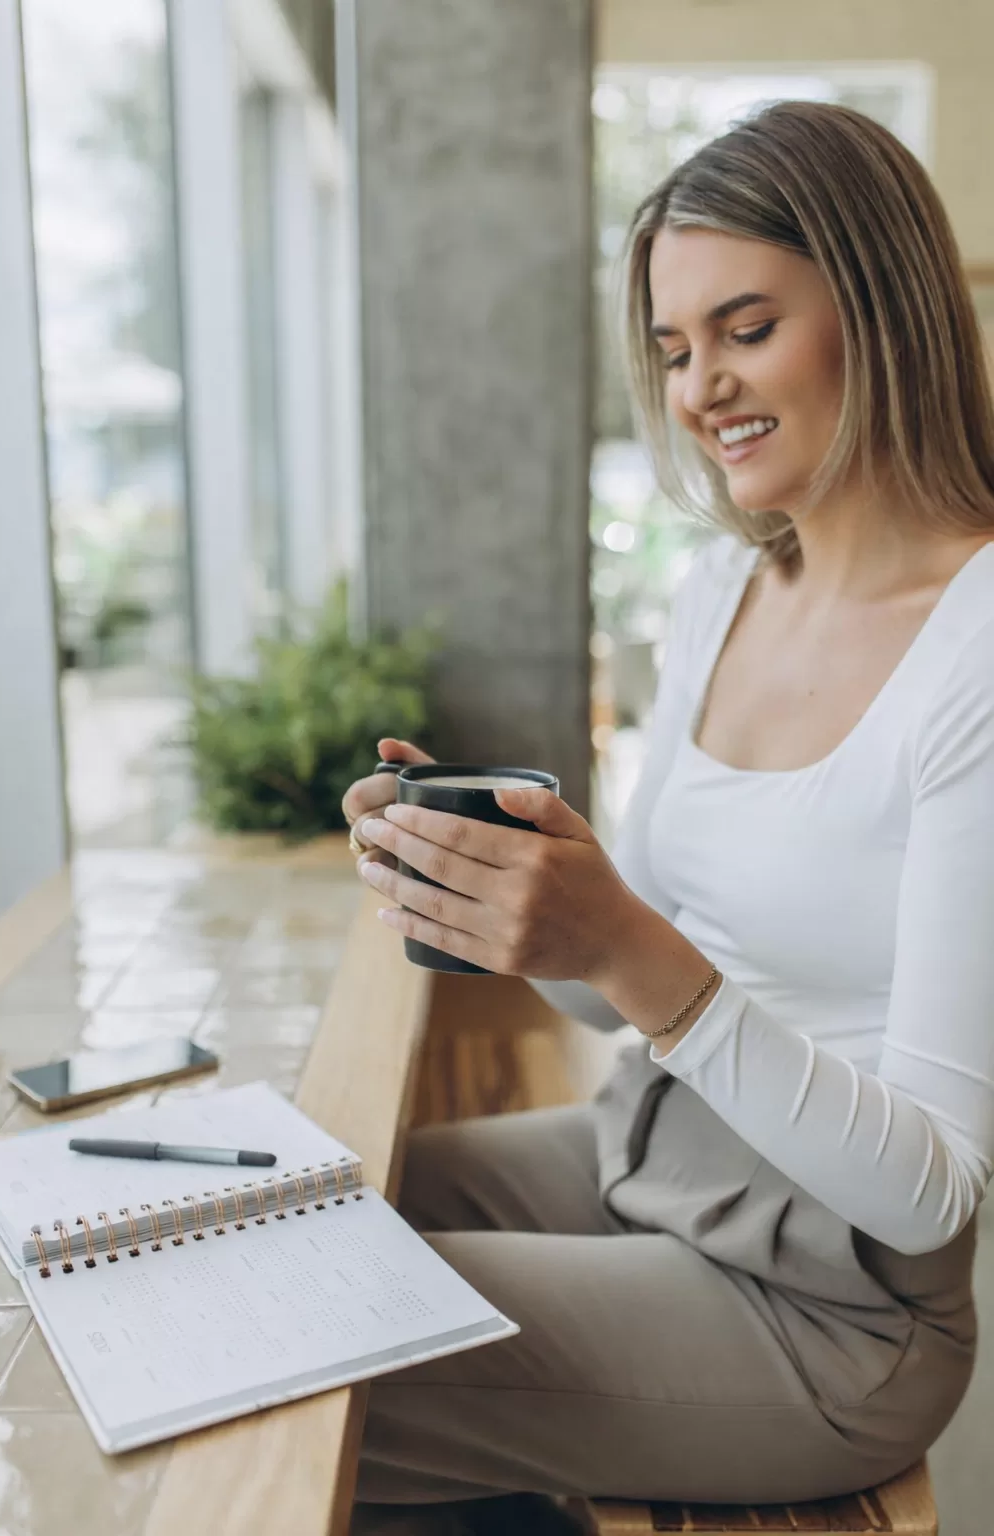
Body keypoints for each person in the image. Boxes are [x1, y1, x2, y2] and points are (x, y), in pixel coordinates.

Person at [340, 100, 994, 1529]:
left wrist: (623, 944)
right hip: (652, 1152)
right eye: (673, 347)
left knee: (319, 1354)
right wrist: (505, 892)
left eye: (745, 328)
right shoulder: (721, 594)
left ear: (877, 310)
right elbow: (615, 995)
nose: (699, 388)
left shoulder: (981, 644)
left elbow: (936, 1194)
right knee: (310, 1220)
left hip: (835, 1308)